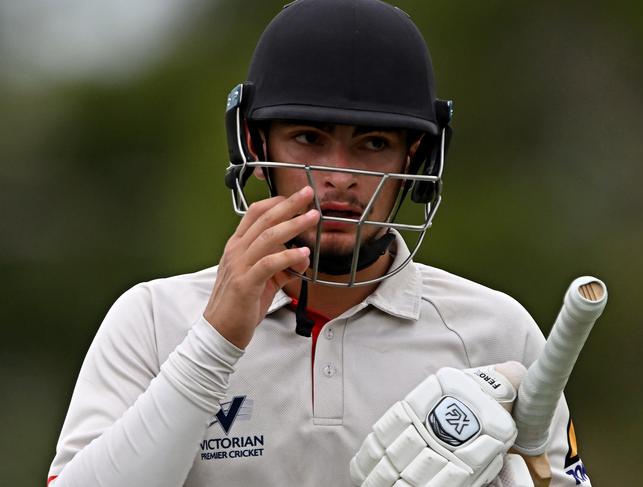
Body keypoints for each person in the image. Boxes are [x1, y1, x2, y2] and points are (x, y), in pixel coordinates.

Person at [48, 1, 591, 486]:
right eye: (309, 138)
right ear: (256, 146)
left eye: (373, 143)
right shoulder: (151, 320)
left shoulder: (496, 331)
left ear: (415, 160)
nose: (340, 177)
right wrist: (214, 343)